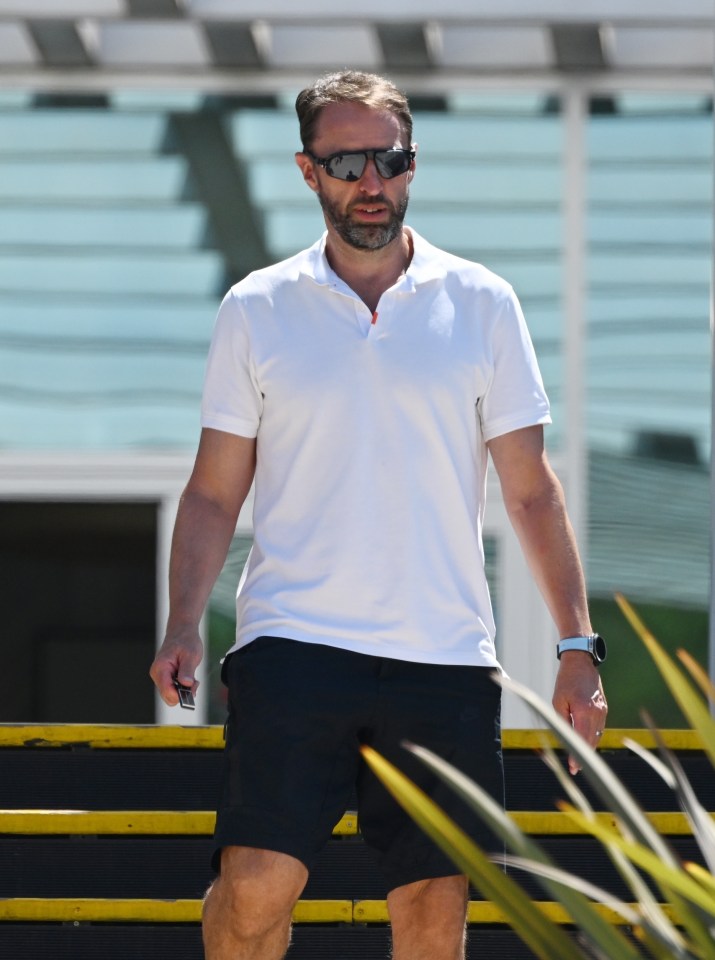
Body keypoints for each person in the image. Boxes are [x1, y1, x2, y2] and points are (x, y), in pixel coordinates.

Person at [149, 70, 608, 960]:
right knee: (253, 888)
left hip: (442, 655)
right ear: (307, 170)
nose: (371, 182)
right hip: (294, 644)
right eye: (347, 161)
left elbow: (528, 488)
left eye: (389, 160)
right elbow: (213, 491)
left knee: (434, 913)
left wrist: (575, 646)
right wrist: (182, 623)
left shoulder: (481, 303)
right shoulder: (256, 308)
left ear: (411, 165)